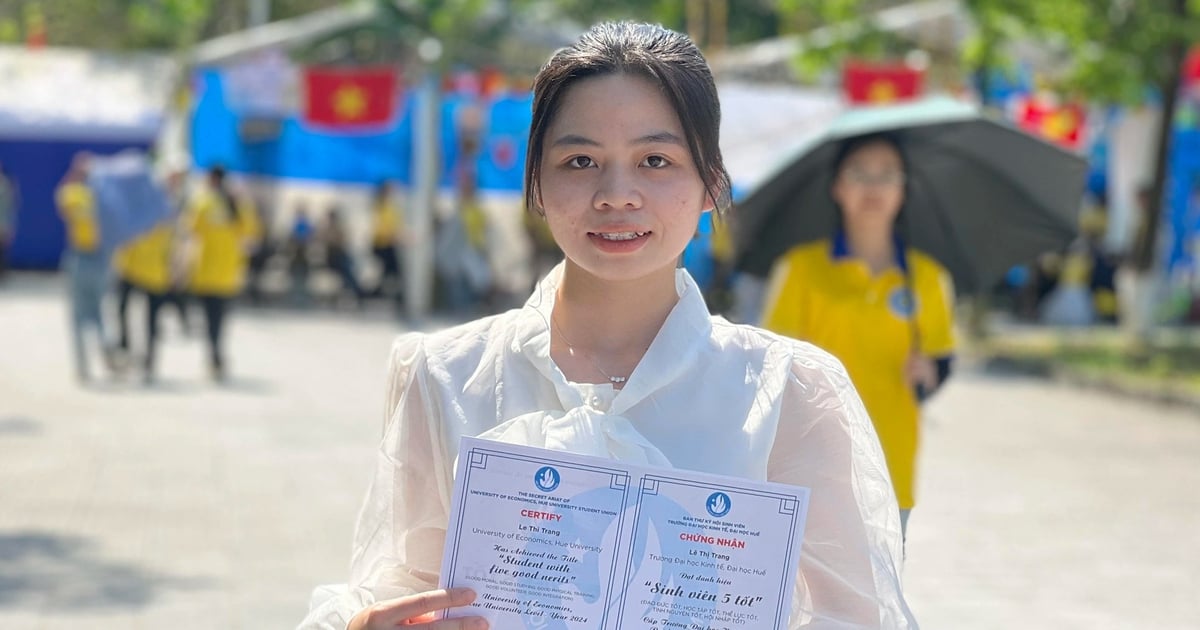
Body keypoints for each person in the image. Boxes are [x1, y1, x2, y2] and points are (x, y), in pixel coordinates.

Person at [300, 22, 914, 630]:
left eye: (655, 159)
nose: (617, 194)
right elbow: (401, 583)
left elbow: (854, 616)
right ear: (536, 183)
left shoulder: (791, 393)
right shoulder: (443, 375)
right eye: (580, 160)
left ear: (711, 184)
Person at [760, 133, 956, 544]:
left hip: (891, 461)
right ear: (837, 187)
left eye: (887, 175)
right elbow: (771, 362)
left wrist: (930, 371)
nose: (873, 186)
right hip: (812, 458)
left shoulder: (928, 277)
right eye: (859, 174)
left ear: (903, 189)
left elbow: (941, 361)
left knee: (879, 601)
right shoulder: (801, 268)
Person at [180, 166, 259, 381]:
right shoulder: (239, 204)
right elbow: (251, 234)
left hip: (205, 269)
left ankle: (213, 353)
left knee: (208, 317)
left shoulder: (203, 202)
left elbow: (189, 229)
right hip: (229, 271)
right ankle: (217, 353)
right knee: (220, 317)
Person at [56, 152, 116, 382]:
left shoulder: (75, 194)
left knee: (78, 315)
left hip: (81, 256)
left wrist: (74, 174)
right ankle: (106, 351)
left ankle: (82, 365)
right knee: (99, 311)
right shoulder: (104, 197)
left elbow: (62, 200)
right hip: (101, 257)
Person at [320, 204, 365, 309]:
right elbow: (329, 243)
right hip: (332, 259)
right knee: (347, 271)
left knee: (349, 268)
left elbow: (343, 241)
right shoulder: (326, 229)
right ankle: (358, 292)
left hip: (341, 257)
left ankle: (357, 291)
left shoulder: (339, 229)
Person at [368, 181, 405, 304]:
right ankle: (379, 294)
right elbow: (382, 228)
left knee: (390, 272)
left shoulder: (391, 208)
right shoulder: (379, 207)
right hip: (381, 245)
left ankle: (378, 294)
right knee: (392, 271)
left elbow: (396, 226)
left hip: (390, 245)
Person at [0, 160, 17, 281]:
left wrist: (9, 225)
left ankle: (2, 274)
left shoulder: (5, 183)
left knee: (2, 250)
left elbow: (10, 206)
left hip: (3, 223)